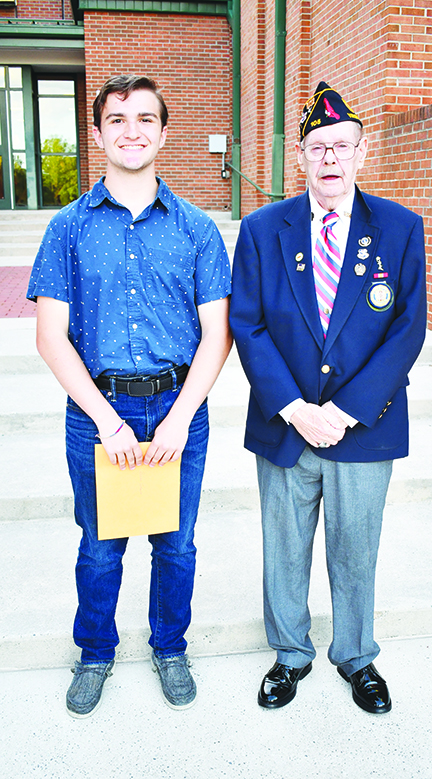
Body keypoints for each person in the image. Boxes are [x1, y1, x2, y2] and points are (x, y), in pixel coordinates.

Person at [27, 74, 232, 717]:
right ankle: (95, 651)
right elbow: (51, 337)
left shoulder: (198, 229)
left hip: (178, 411)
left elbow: (217, 335)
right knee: (100, 542)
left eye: (145, 117)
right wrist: (108, 422)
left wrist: (180, 417)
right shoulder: (67, 227)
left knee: (175, 542)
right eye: (117, 119)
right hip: (96, 414)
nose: (132, 129)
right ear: (98, 134)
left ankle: (170, 647)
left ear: (165, 133)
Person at [229, 82, 426, 713]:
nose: (330, 158)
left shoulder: (400, 228)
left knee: (355, 548)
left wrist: (342, 411)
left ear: (363, 152)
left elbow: (407, 328)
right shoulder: (263, 229)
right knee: (283, 547)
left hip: (363, 427)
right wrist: (295, 408)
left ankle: (357, 655)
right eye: (318, 148)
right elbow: (248, 323)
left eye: (342, 145)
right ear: (303, 159)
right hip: (286, 424)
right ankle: (290, 654)